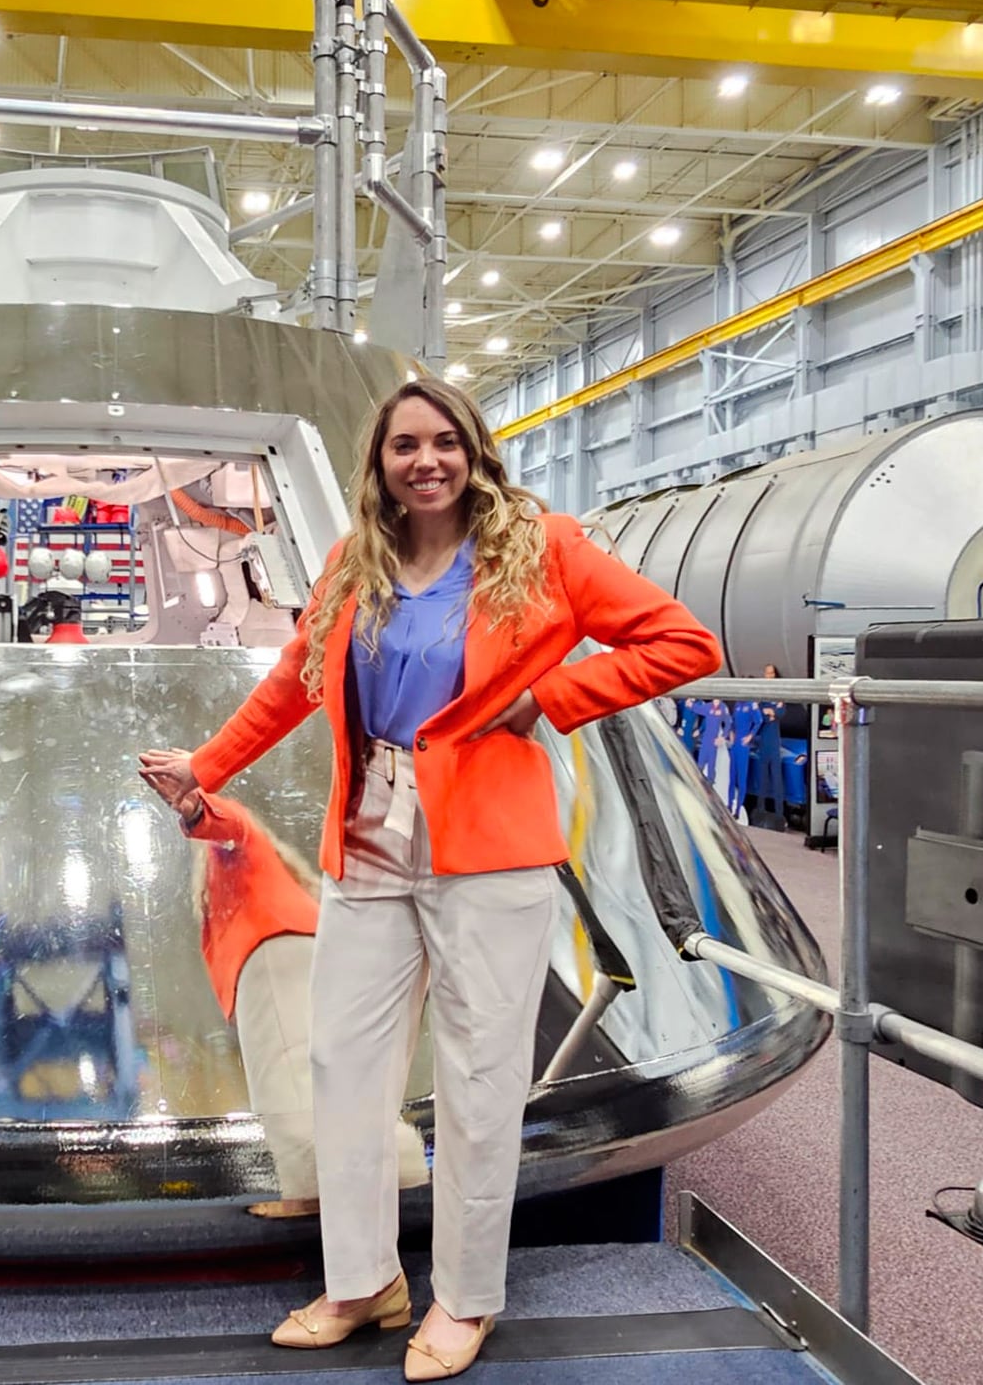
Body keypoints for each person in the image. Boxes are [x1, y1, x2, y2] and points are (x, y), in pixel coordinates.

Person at [139, 379, 720, 1381]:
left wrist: (552, 696)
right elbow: (292, 681)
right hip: (369, 840)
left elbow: (682, 642)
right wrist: (206, 768)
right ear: (380, 465)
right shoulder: (350, 566)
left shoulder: (545, 550)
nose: (426, 461)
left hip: (490, 856)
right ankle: (364, 1282)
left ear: (474, 451)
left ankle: (464, 1299)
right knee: (343, 1070)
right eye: (405, 445)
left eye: (444, 441)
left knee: (480, 1084)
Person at [137, 778, 430, 1218]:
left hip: (273, 958)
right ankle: (365, 1175)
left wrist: (197, 809)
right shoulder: (275, 877)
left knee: (289, 1080)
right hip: (292, 957)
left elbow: (228, 824)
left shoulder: (231, 853)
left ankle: (332, 1187)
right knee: (313, 1080)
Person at [753, 664, 788, 828]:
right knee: (763, 778)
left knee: (776, 778)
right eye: (767, 673)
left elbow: (781, 713)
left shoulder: (779, 693)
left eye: (772, 673)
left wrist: (771, 712)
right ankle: (761, 811)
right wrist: (772, 712)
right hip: (764, 740)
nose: (769, 676)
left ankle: (779, 814)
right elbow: (760, 714)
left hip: (774, 740)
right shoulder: (762, 693)